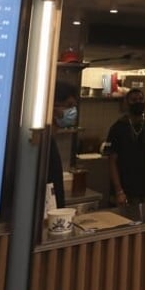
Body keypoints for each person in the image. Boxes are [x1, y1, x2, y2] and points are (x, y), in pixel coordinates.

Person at [107, 88, 145, 207]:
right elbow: (112, 162)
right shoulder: (118, 128)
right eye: (134, 100)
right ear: (127, 103)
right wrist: (119, 191)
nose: (138, 102)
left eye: (140, 99)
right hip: (124, 189)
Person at [47, 81, 80, 210]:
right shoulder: (44, 145)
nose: (73, 111)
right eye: (69, 106)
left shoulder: (50, 141)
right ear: (53, 106)